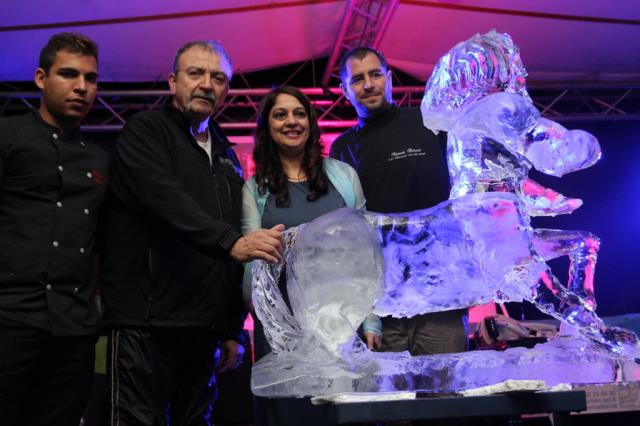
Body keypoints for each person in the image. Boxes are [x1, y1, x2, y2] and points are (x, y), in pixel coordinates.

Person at [100, 40, 284, 425]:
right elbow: (164, 199)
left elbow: (238, 234)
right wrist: (231, 242)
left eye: (217, 78)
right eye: (195, 73)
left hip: (203, 330)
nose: (206, 84)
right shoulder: (145, 131)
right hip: (145, 324)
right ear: (173, 81)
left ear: (226, 90)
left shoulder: (227, 155)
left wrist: (232, 327)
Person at [330, 46, 468, 356]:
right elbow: (349, 230)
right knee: (392, 400)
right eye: (357, 79)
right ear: (344, 90)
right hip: (383, 302)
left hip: (440, 294)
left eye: (375, 75)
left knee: (447, 393)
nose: (368, 85)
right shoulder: (342, 149)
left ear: (389, 78)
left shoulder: (429, 122)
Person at [0, 32, 108, 425]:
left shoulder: (98, 159)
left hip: (73, 328)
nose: (82, 87)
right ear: (41, 78)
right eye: (69, 74)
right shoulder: (7, 136)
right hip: (9, 318)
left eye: (91, 78)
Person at [242, 86, 366, 426]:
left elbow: (368, 254)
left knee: (339, 412)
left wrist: (371, 322)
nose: (291, 121)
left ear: (311, 122)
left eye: (299, 113)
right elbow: (250, 260)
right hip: (281, 329)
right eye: (280, 114)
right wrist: (252, 303)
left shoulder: (343, 176)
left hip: (339, 326)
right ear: (267, 126)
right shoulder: (256, 188)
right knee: (288, 415)